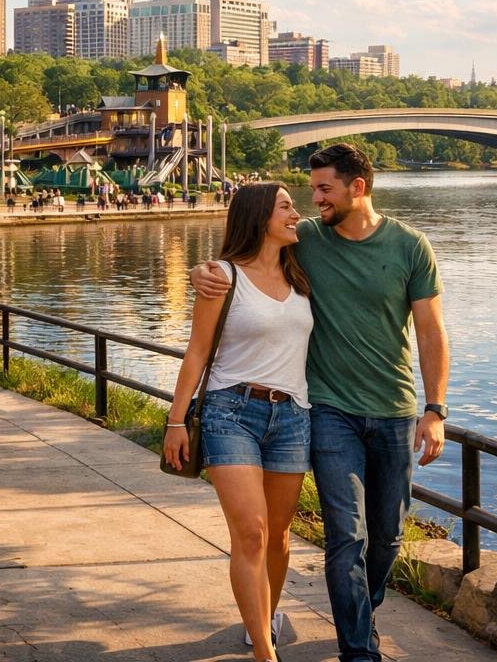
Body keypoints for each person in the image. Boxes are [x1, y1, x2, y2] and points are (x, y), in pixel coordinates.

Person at [191, 143, 448, 662]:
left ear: (358, 187)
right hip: (327, 409)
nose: (315, 201)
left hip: (396, 409)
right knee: (345, 535)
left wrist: (435, 409)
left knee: (387, 538)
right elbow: (245, 256)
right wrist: (202, 273)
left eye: (325, 189)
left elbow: (430, 333)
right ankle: (358, 651)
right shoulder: (305, 237)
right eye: (311, 191)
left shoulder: (411, 246)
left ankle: (361, 615)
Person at [165, 183, 313, 661]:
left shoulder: (303, 267)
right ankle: (265, 653)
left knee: (279, 533)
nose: (296, 212)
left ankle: (265, 617)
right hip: (232, 412)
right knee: (251, 532)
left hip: (293, 415)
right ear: (257, 217)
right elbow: (197, 352)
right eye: (286, 206)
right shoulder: (222, 277)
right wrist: (175, 421)